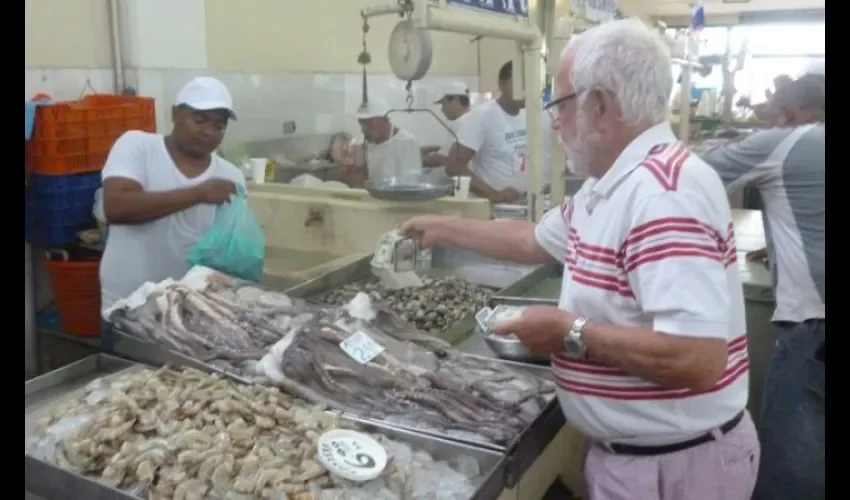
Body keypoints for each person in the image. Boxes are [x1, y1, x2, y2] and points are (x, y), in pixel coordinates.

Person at [402, 20, 759, 500]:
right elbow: (533, 239)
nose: (555, 122)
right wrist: (442, 228)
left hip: (676, 470)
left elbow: (697, 358)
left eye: (560, 105)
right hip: (636, 458)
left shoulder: (662, 195)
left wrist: (569, 332)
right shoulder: (611, 184)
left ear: (600, 105)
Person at [701, 77, 825, 500]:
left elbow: (687, 174)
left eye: (772, 107)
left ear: (787, 114)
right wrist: (778, 250)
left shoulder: (787, 141)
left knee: (792, 472)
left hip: (814, 332)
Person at [99, 76, 246, 313]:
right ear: (175, 114)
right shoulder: (138, 146)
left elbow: (229, 249)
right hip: (128, 304)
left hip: (194, 308)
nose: (210, 132)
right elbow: (117, 208)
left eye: (219, 126)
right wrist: (198, 193)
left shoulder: (230, 177)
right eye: (200, 120)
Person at [446, 61, 527, 203]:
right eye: (520, 83)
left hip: (523, 203)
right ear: (501, 84)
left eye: (530, 83)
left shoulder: (530, 114)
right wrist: (493, 195)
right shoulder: (481, 117)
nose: (526, 90)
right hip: (495, 209)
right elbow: (454, 165)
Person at [339, 99, 422, 187]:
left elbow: (409, 185)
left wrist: (367, 184)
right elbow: (371, 173)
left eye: (368, 126)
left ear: (384, 121)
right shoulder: (370, 143)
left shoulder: (407, 142)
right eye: (362, 126)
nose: (363, 131)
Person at [421, 82, 471, 179]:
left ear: (456, 100)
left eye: (444, 104)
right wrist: (435, 149)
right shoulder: (472, 118)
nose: (442, 109)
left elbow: (447, 160)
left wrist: (419, 159)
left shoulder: (459, 123)